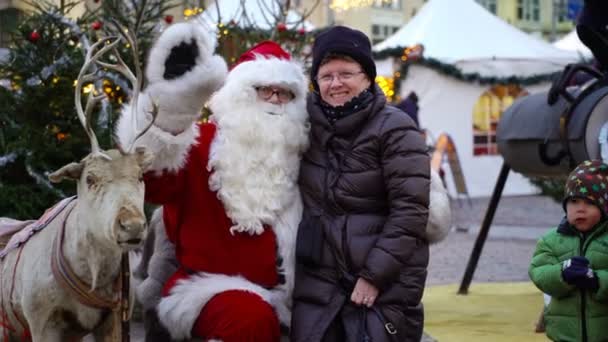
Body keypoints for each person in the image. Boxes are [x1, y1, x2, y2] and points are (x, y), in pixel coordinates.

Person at [117, 22, 309, 341]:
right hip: (206, 288)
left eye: (285, 93)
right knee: (249, 320)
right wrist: (174, 106)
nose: (276, 99)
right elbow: (152, 181)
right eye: (265, 89)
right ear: (240, 94)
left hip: (288, 296)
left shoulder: (303, 154)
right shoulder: (202, 143)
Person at [291, 25, 430, 342]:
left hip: (384, 279)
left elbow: (410, 212)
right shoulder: (301, 128)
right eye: (326, 76)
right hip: (319, 281)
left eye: (346, 74)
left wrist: (373, 276)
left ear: (367, 76)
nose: (336, 83)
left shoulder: (395, 128)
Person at [529, 159, 608, 342]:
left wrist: (597, 280)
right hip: (564, 335)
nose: (580, 209)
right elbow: (538, 272)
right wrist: (562, 272)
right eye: (573, 201)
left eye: (589, 203)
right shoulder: (551, 240)